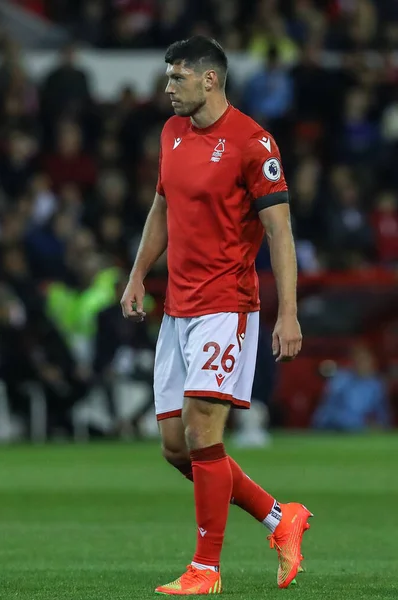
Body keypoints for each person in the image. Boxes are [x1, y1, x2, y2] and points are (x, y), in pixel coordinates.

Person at [120, 35, 311, 595]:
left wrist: (288, 312)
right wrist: (137, 274)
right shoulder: (171, 133)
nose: (167, 87)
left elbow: (280, 231)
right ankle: (281, 518)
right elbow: (163, 205)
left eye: (176, 77)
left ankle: (206, 568)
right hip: (177, 307)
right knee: (178, 448)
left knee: (204, 428)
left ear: (209, 79)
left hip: (226, 305)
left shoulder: (254, 143)